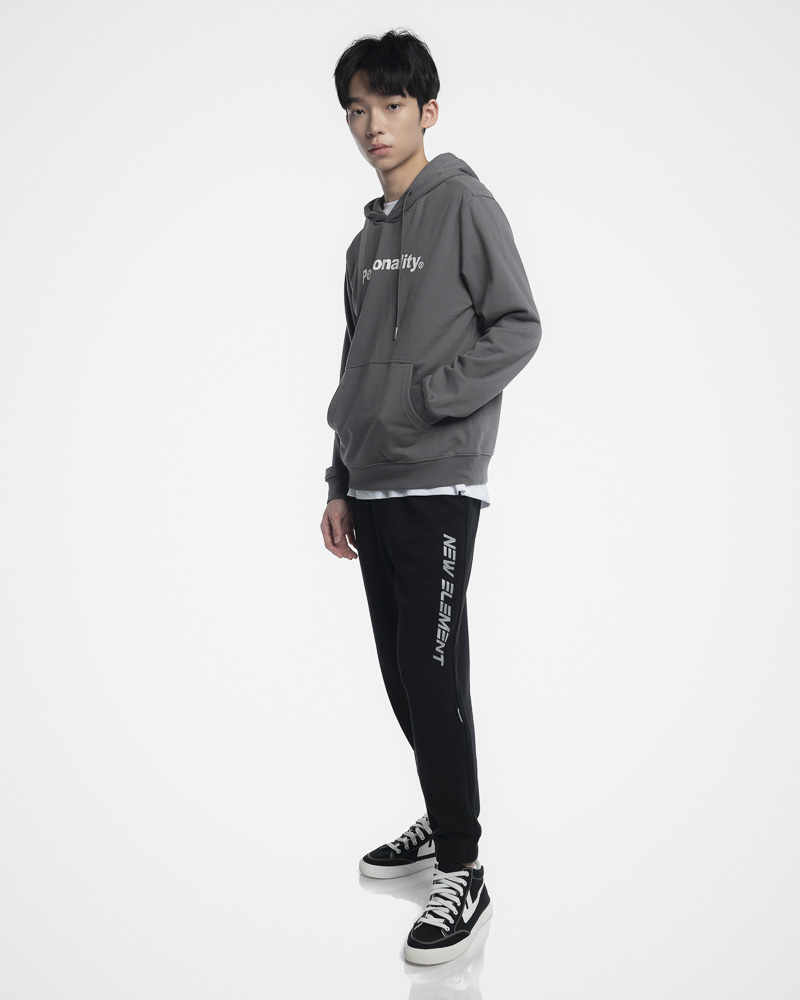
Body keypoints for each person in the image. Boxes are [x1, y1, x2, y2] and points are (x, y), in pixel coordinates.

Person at [320, 28, 542, 966]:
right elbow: (351, 364)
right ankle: (440, 812)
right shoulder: (364, 244)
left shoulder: (464, 205)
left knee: (433, 668)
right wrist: (338, 476)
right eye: (357, 111)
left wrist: (428, 401)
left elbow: (518, 325)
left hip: (438, 483)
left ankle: (464, 866)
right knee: (402, 672)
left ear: (427, 111)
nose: (373, 125)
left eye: (391, 106)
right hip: (370, 484)